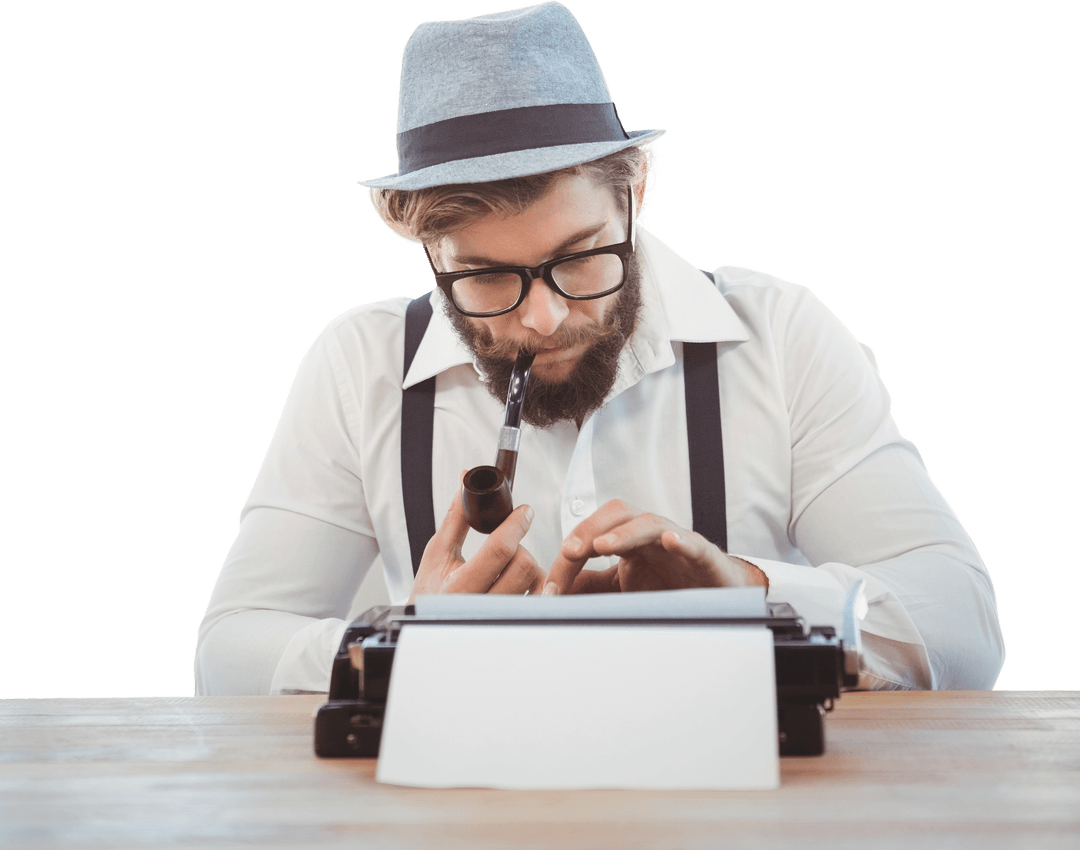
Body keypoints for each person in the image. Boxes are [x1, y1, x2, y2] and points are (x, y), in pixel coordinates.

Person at [193, 1, 1005, 695]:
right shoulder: (358, 365)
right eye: (484, 276)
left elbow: (963, 631)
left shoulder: (780, 337)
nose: (542, 319)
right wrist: (402, 646)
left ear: (636, 193)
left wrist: (751, 594)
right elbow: (227, 654)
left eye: (580, 258)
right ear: (427, 251)